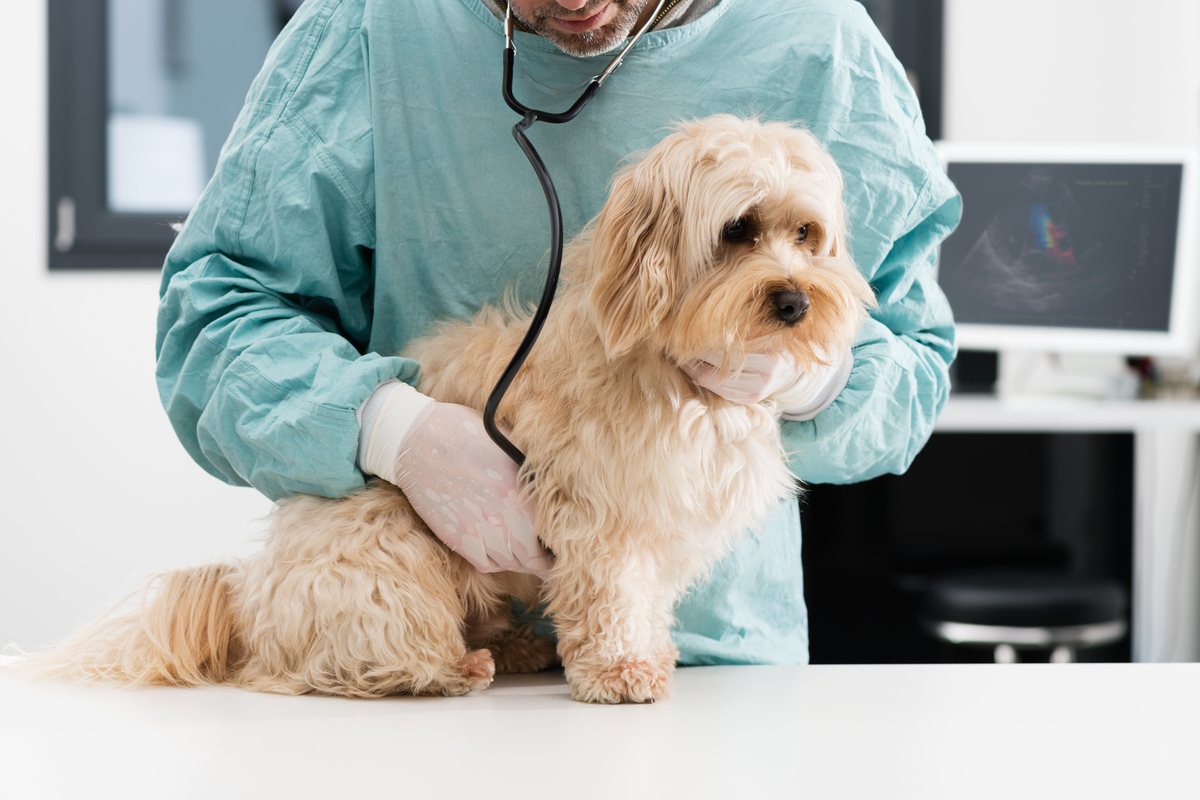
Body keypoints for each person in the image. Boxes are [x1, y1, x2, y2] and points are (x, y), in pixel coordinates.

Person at [156, 0, 961, 665]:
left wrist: (810, 379)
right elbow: (217, 319)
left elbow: (914, 365)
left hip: (708, 664)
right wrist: (391, 430)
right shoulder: (371, 27)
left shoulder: (819, 43)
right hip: (419, 643)